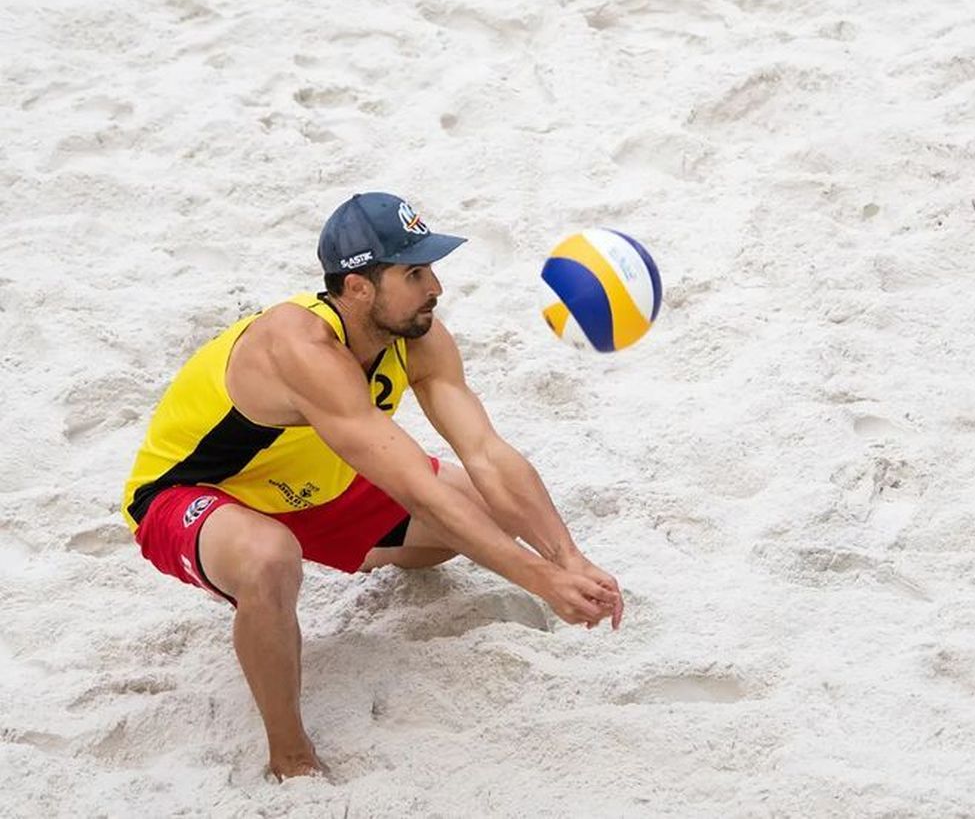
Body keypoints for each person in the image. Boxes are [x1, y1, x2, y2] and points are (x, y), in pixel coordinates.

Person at [121, 192, 624, 780]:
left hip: (311, 486)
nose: (435, 285)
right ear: (358, 286)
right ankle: (290, 754)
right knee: (269, 559)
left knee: (470, 515)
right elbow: (416, 488)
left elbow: (487, 453)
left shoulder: (417, 335)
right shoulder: (301, 347)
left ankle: (328, 560)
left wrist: (568, 557)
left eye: (432, 266)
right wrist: (542, 581)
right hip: (194, 495)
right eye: (414, 272)